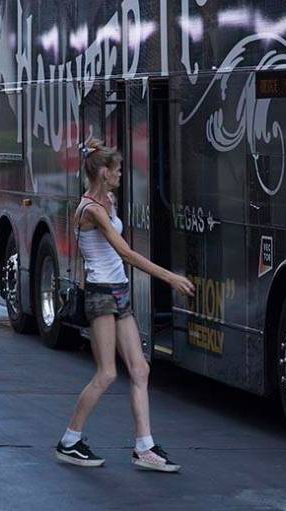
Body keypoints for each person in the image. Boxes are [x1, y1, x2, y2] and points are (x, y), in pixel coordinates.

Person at [56, 137, 195, 472]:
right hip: (101, 294)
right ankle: (69, 441)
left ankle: (144, 448)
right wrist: (169, 277)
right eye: (116, 170)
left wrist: (93, 148)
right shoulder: (91, 210)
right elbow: (126, 253)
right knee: (106, 373)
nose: (121, 174)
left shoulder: (108, 200)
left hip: (119, 291)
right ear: (103, 173)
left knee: (140, 369)